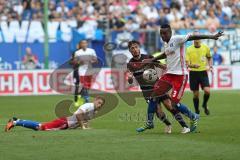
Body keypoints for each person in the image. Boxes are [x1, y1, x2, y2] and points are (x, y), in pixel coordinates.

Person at [150, 24, 223, 131]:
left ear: (170, 32)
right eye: (161, 33)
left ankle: (193, 116)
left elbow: (193, 37)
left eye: (164, 33)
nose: (162, 35)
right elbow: (165, 54)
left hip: (180, 75)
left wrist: (211, 36)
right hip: (169, 74)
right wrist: (153, 59)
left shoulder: (177, 38)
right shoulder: (167, 44)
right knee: (155, 93)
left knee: (174, 104)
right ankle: (150, 121)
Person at [127, 40, 191, 134]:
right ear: (130, 51)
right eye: (132, 48)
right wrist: (129, 78)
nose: (135, 49)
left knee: (169, 106)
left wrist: (170, 68)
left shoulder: (148, 57)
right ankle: (168, 124)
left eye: (136, 47)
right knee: (158, 112)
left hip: (158, 87)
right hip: (147, 91)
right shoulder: (130, 64)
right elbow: (130, 80)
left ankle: (185, 126)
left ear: (139, 47)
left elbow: (162, 66)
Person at [5, 97, 105, 132]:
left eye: (101, 104)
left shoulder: (93, 111)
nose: (99, 105)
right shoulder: (90, 105)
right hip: (65, 123)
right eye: (99, 102)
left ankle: (17, 120)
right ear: (95, 100)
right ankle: (14, 122)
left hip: (65, 124)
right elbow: (78, 115)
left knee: (40, 125)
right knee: (40, 127)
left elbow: (82, 119)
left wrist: (83, 125)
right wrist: (83, 126)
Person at [186, 31, 213, 115]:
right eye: (195, 37)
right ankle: (197, 110)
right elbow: (187, 64)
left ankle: (204, 104)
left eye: (198, 37)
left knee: (207, 91)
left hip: (203, 72)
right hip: (193, 73)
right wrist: (193, 66)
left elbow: (209, 57)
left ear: (201, 38)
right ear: (192, 38)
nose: (197, 39)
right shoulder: (188, 49)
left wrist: (210, 66)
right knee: (196, 95)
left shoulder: (206, 47)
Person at [71, 40, 98, 107]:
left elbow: (96, 60)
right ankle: (87, 100)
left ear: (87, 44)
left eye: (85, 43)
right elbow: (74, 62)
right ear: (80, 45)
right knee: (84, 85)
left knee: (88, 86)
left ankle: (82, 96)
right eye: (82, 43)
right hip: (81, 72)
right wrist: (80, 62)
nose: (84, 44)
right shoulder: (77, 52)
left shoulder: (91, 51)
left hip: (89, 71)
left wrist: (91, 61)